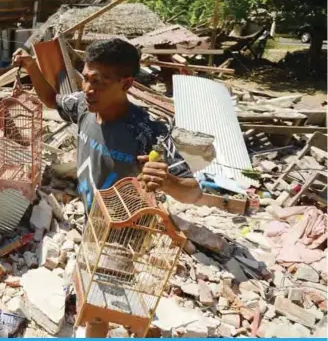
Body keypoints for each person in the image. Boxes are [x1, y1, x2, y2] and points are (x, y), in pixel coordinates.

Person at [12, 38, 203, 211]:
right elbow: (52, 100)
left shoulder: (148, 131)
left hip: (125, 232)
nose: (87, 89)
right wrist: (31, 66)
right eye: (86, 79)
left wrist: (168, 182)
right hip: (93, 221)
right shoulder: (82, 106)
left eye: (98, 82)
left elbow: (194, 193)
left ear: (126, 84)